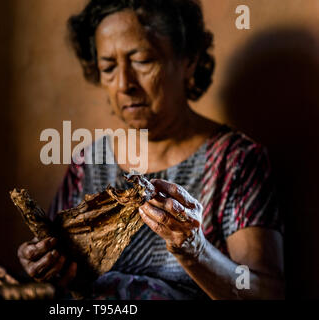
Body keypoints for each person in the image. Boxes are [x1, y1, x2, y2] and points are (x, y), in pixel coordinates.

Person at [17, 0, 284, 300]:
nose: (123, 84)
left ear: (189, 61)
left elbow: (267, 293)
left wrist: (195, 249)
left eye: (142, 60)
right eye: (107, 67)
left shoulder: (235, 162)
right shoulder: (88, 164)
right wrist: (43, 262)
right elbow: (59, 274)